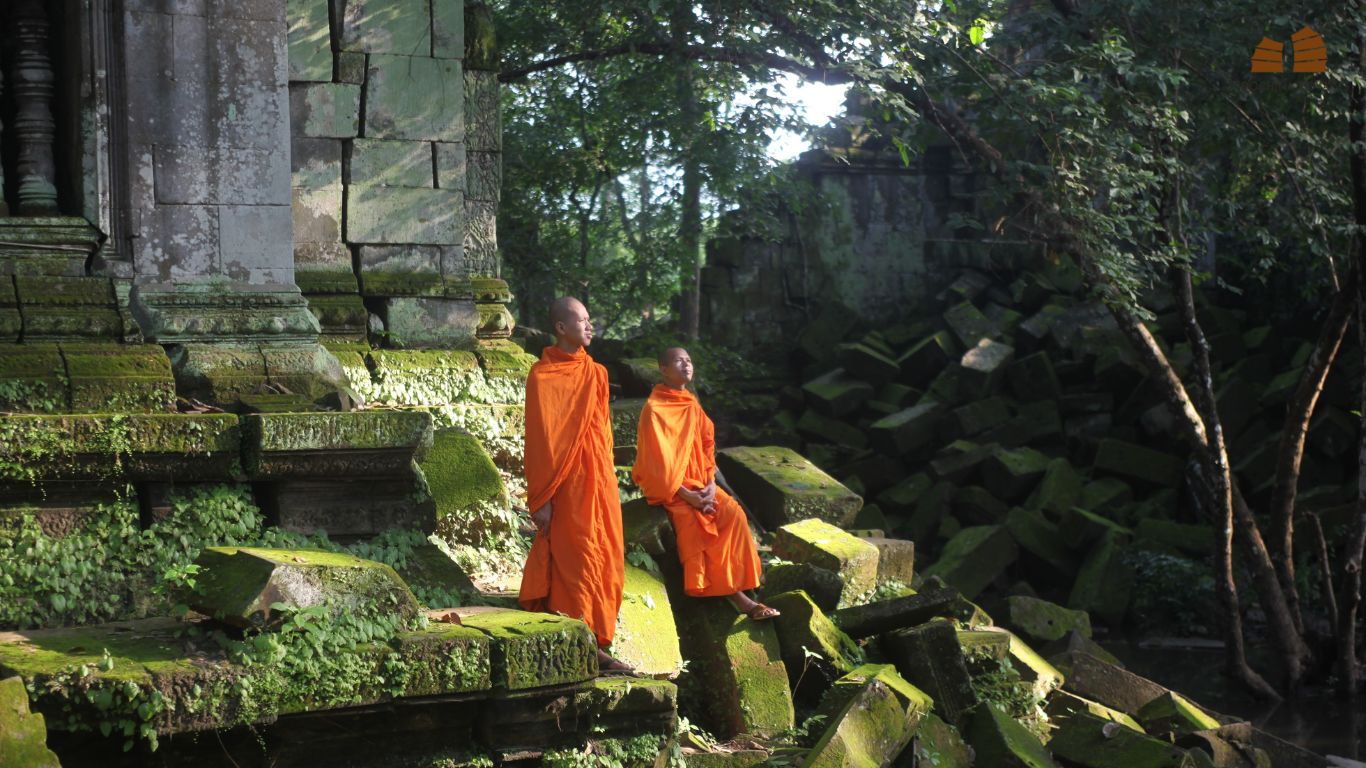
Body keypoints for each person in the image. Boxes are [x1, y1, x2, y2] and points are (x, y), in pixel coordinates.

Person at [518, 297, 632, 673]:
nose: (590, 326)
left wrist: (606, 478)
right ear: (561, 328)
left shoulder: (596, 373)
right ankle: (582, 640)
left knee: (606, 554)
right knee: (577, 556)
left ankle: (598, 636)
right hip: (564, 483)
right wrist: (542, 496)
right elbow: (540, 438)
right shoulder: (542, 375)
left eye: (590, 319)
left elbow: (602, 435)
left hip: (597, 478)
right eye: (582, 320)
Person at [631, 347, 779, 620]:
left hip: (701, 481)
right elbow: (656, 463)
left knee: (733, 514)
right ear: (663, 369)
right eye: (679, 361)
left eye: (689, 360)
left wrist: (710, 484)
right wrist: (688, 495)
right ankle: (743, 602)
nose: (686, 365)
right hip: (674, 489)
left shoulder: (690, 402)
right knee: (697, 524)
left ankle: (743, 589)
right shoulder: (655, 409)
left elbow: (706, 447)